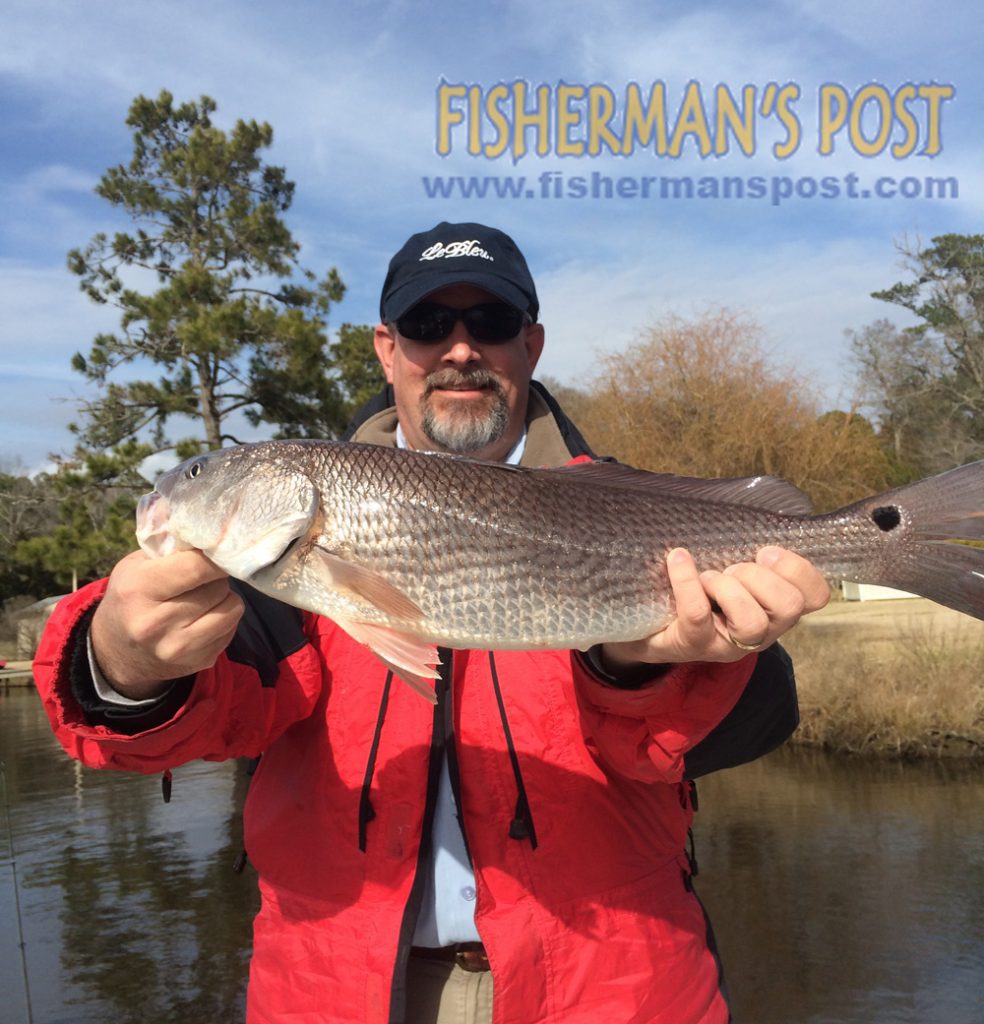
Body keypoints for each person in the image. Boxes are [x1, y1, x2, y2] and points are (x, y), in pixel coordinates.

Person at [34, 221, 830, 1024]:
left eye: (488, 324)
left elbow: (761, 725)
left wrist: (642, 666)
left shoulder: (622, 501)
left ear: (532, 344)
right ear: (386, 348)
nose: (458, 349)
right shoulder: (279, 552)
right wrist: (122, 664)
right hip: (331, 993)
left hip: (613, 991)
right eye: (425, 325)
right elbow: (201, 718)